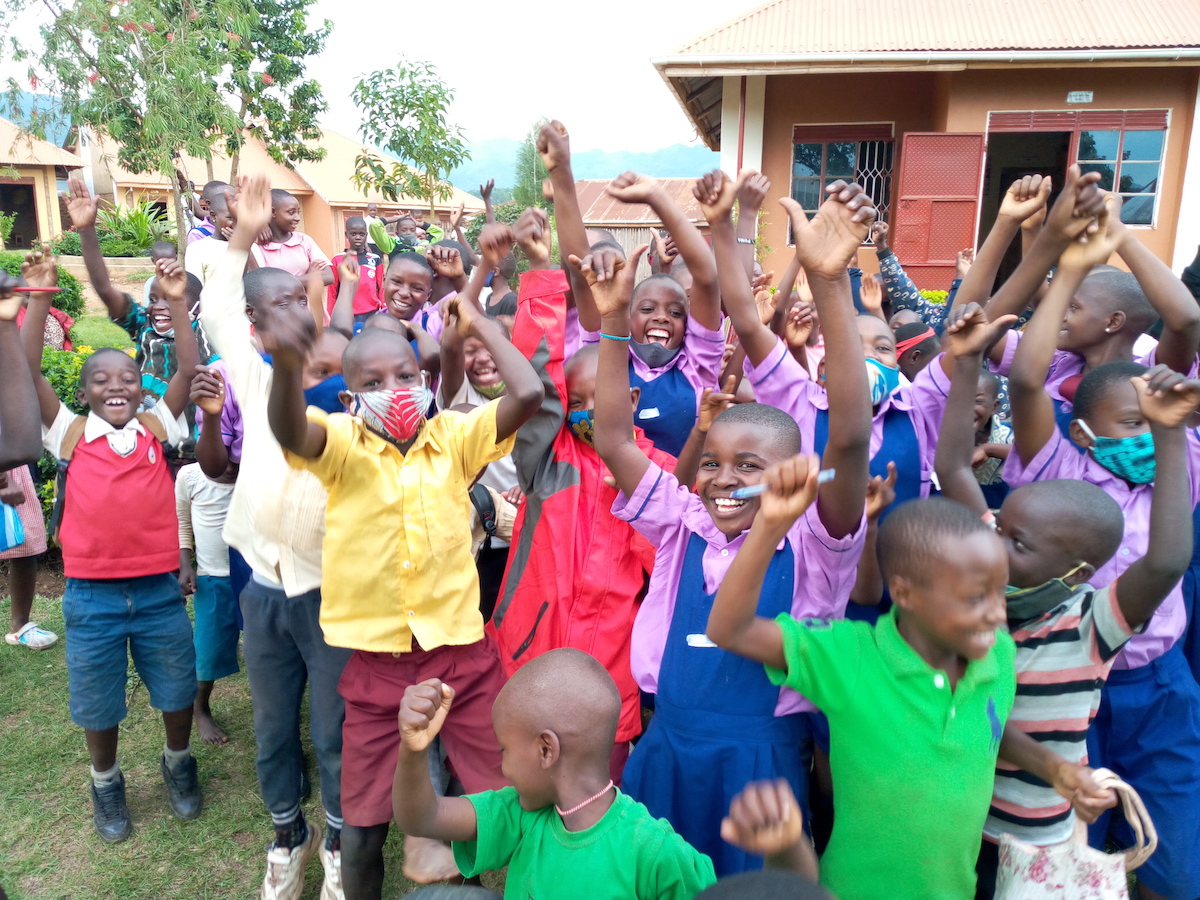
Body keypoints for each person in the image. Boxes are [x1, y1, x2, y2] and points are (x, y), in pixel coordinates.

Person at [591, 178, 873, 876]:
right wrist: (611, 324)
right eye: (712, 460)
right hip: (668, 747)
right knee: (654, 881)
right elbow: (614, 439)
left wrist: (831, 286)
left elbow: (847, 436)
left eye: (748, 463)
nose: (720, 478)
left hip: (760, 759)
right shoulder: (683, 522)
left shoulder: (815, 541)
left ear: (794, 472)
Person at [265, 218, 543, 900]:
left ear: (426, 377)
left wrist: (478, 321)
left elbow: (529, 396)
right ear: (350, 393)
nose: (397, 388)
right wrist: (290, 362)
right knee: (362, 830)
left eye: (409, 374)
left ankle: (479, 889)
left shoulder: (453, 436)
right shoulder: (337, 444)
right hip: (377, 669)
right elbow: (286, 427)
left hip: (463, 658)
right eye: (376, 380)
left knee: (492, 812)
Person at [935, 302, 1197, 898]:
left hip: (1042, 838)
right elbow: (952, 464)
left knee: (1167, 859)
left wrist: (1172, 435)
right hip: (974, 829)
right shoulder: (985, 591)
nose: (993, 543)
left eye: (1013, 541)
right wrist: (968, 360)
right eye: (996, 527)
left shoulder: (1087, 623)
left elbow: (1166, 560)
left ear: (1079, 572)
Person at [1003, 194, 1200, 900]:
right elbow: (1025, 377)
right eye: (1130, 424)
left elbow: (1186, 319)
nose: (1145, 436)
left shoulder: (1178, 458)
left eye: (1154, 422)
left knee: (1173, 859)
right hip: (1059, 688)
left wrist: (1122, 238)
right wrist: (1068, 266)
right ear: (1084, 431)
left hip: (1153, 686)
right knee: (1057, 860)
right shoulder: (1060, 461)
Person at [198, 174, 351, 900]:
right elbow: (219, 306)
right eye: (275, 308)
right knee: (271, 729)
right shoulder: (255, 382)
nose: (294, 312)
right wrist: (240, 237)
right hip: (263, 589)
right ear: (255, 330)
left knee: (334, 729)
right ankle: (287, 836)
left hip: (334, 594)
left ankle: (342, 843)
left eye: (299, 297)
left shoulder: (349, 389)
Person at [16, 250, 202, 843]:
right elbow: (30, 376)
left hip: (157, 591)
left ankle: (178, 763)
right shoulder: (68, 434)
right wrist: (39, 297)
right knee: (97, 699)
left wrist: (176, 301)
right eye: (101, 380)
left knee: (175, 685)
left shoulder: (156, 428)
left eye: (126, 378)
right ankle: (106, 781)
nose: (116, 387)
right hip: (91, 597)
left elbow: (185, 375)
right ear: (87, 390)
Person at [488, 199, 676, 780]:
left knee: (598, 778)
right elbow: (537, 379)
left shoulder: (654, 472)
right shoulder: (548, 459)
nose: (593, 411)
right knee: (527, 769)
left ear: (635, 401)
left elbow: (666, 565)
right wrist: (543, 277)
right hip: (534, 645)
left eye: (608, 397)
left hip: (612, 661)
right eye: (580, 400)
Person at [391, 648, 718, 898]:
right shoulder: (521, 815)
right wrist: (413, 748)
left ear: (546, 751)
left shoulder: (657, 855)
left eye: (504, 750)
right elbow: (423, 817)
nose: (502, 766)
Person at [575, 170, 725, 457]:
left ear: (689, 326)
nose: (661, 317)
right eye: (646, 309)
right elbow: (578, 278)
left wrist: (657, 197)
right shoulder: (607, 359)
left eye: (676, 313)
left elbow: (707, 279)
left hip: (680, 497)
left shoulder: (698, 368)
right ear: (627, 318)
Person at [63, 178, 217, 409]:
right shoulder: (143, 326)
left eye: (173, 299)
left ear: (198, 308)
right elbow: (105, 289)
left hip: (185, 435)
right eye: (154, 299)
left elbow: (202, 370)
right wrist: (86, 231)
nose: (159, 307)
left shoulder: (204, 335)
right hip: (140, 428)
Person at [0, 274, 52, 650]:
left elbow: (23, 372)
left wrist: (35, 301)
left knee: (26, 544)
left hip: (8, 454)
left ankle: (21, 623)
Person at [175, 455, 238, 746]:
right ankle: (200, 707)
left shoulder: (254, 468)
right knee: (209, 650)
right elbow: (182, 524)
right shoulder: (190, 477)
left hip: (257, 575)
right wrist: (186, 564)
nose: (227, 467)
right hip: (213, 577)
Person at [251, 189, 334, 287]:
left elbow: (328, 276)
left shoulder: (304, 240)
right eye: (291, 212)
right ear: (273, 212)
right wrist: (309, 277)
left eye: (298, 212)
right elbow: (264, 284)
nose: (297, 218)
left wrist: (283, 282)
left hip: (306, 303)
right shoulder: (257, 246)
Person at [328, 217, 385, 328]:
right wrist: (331, 315)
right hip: (347, 312)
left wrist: (384, 309)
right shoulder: (338, 260)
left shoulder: (375, 259)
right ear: (346, 235)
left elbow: (381, 287)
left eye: (361, 234)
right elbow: (332, 291)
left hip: (372, 312)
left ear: (366, 235)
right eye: (353, 234)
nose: (358, 237)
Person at [185, 190, 236, 287]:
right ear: (213, 216)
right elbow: (195, 289)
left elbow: (257, 283)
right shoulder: (197, 249)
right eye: (231, 218)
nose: (237, 223)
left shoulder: (252, 247)